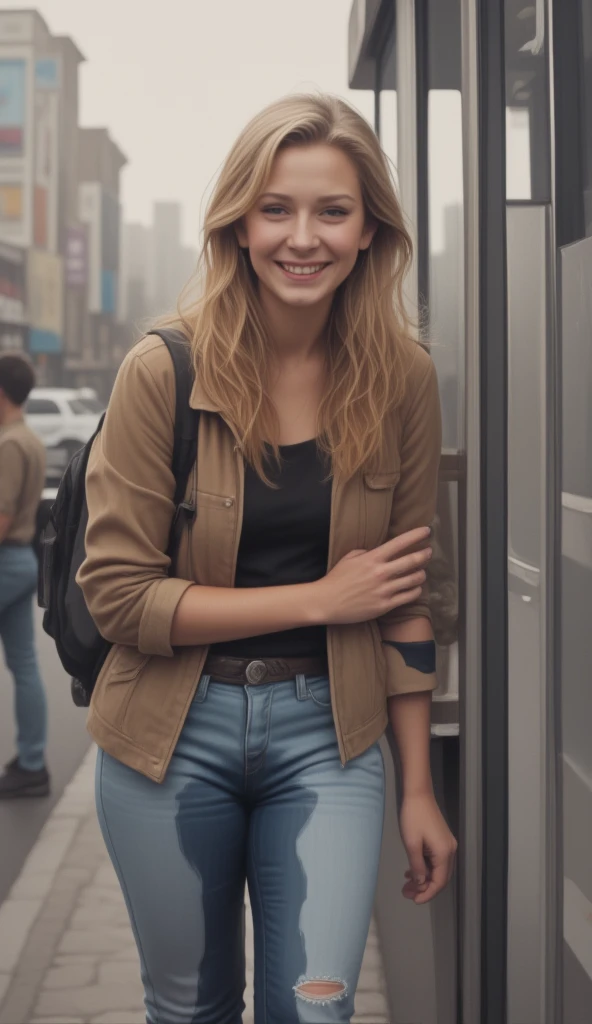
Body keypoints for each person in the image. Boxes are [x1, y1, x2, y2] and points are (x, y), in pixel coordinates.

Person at [77, 93, 457, 1024]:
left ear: (370, 230)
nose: (303, 237)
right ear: (238, 224)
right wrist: (321, 598)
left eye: (332, 211)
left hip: (331, 738)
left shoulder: (404, 377)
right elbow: (119, 597)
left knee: (315, 1008)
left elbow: (413, 599)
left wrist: (418, 789)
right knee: (190, 1005)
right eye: (276, 208)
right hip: (167, 739)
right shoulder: (160, 370)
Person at [0, 352, 50, 799]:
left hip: (6, 560)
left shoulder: (10, 444)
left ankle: (32, 761)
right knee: (24, 664)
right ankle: (31, 762)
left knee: (25, 665)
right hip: (21, 562)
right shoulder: (28, 438)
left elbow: (2, 515)